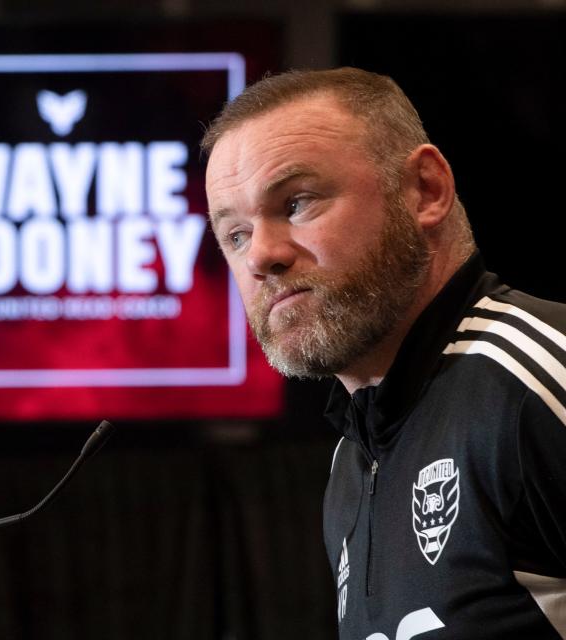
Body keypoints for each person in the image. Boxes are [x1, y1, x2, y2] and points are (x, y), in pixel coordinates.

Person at [203, 68, 566, 638]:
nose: (262, 257)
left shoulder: (539, 383)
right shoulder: (351, 466)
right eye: (236, 234)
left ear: (426, 190)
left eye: (296, 203)